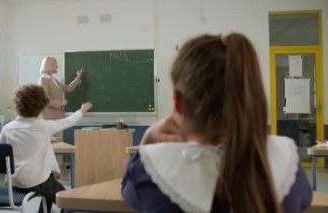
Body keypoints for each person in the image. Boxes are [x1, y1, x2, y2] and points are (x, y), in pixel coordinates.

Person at [121, 33, 312, 213]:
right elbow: (305, 198)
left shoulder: (151, 171)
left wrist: (147, 139)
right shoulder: (288, 167)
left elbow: (128, 190)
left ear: (179, 103)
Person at [0, 84, 93, 213]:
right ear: (42, 106)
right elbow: (68, 122)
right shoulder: (43, 126)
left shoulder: (8, 128)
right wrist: (82, 110)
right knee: (68, 201)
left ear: (17, 104)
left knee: (48, 182)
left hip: (13, 181)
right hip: (36, 181)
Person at [38, 56, 83, 180]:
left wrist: (78, 78)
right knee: (51, 147)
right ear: (49, 65)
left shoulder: (54, 80)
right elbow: (44, 100)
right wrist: (60, 103)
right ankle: (52, 172)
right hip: (49, 118)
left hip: (57, 117)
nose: (57, 67)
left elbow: (68, 88)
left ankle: (58, 172)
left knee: (59, 145)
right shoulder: (43, 80)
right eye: (55, 65)